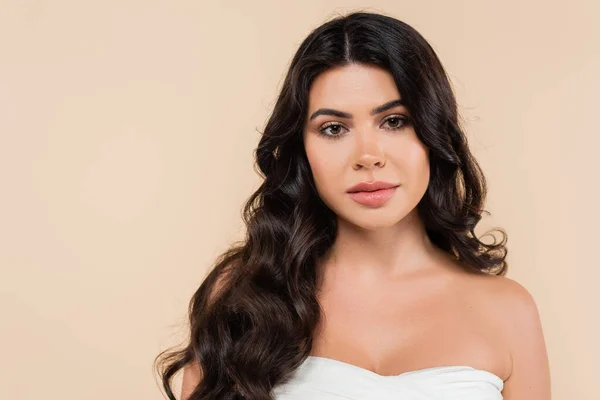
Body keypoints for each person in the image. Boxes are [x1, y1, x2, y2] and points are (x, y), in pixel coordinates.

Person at [155, 10, 551, 400]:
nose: (367, 155)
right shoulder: (244, 294)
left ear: (433, 132)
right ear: (303, 149)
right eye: (333, 129)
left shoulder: (508, 311)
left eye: (394, 121)